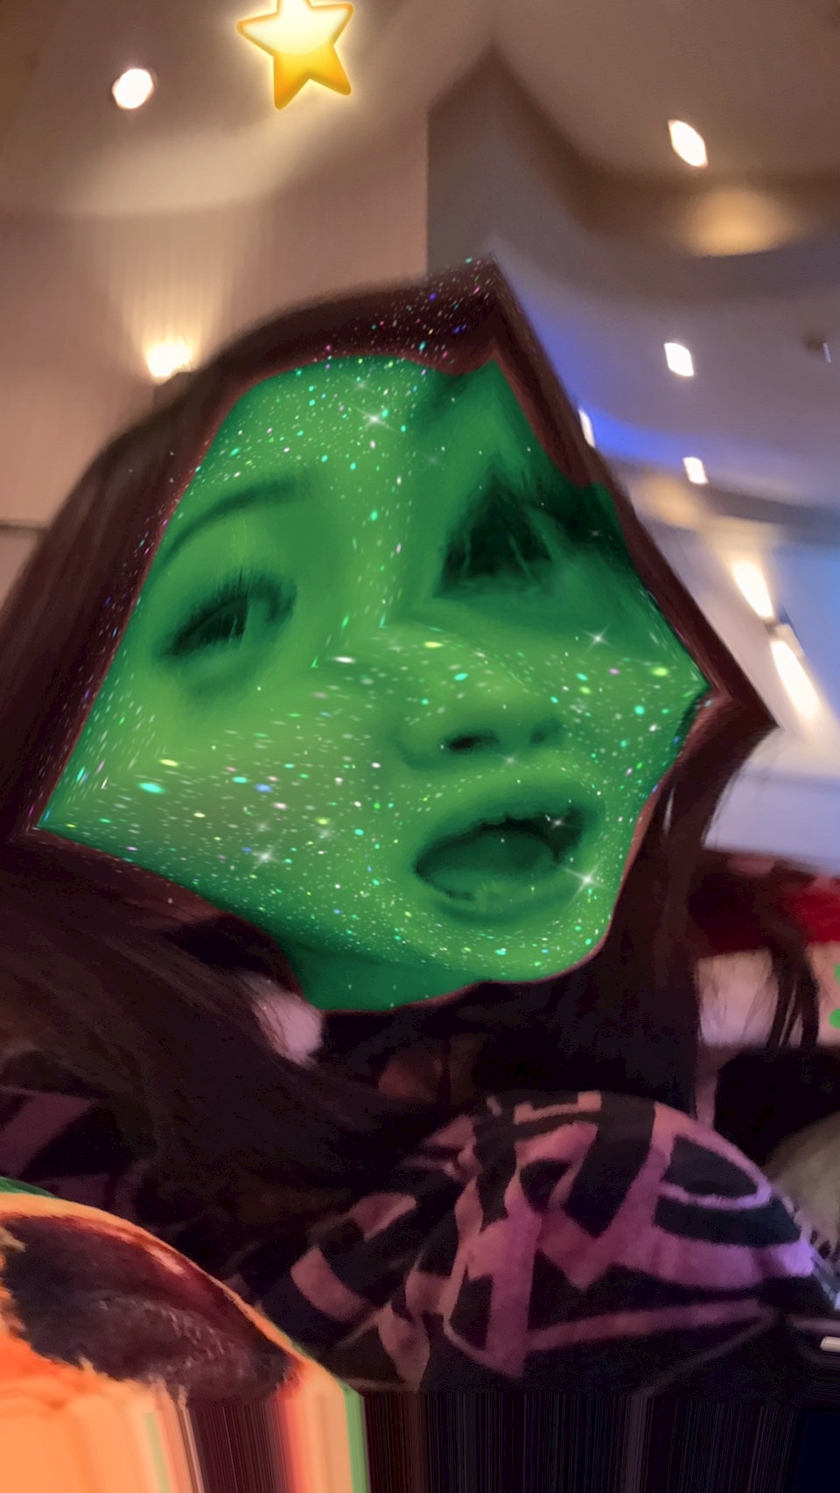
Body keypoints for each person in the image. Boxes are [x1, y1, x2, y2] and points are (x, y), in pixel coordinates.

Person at [0, 259, 836, 1395]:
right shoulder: (584, 1196)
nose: (478, 691)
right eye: (231, 613)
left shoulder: (590, 1003)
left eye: (503, 554)